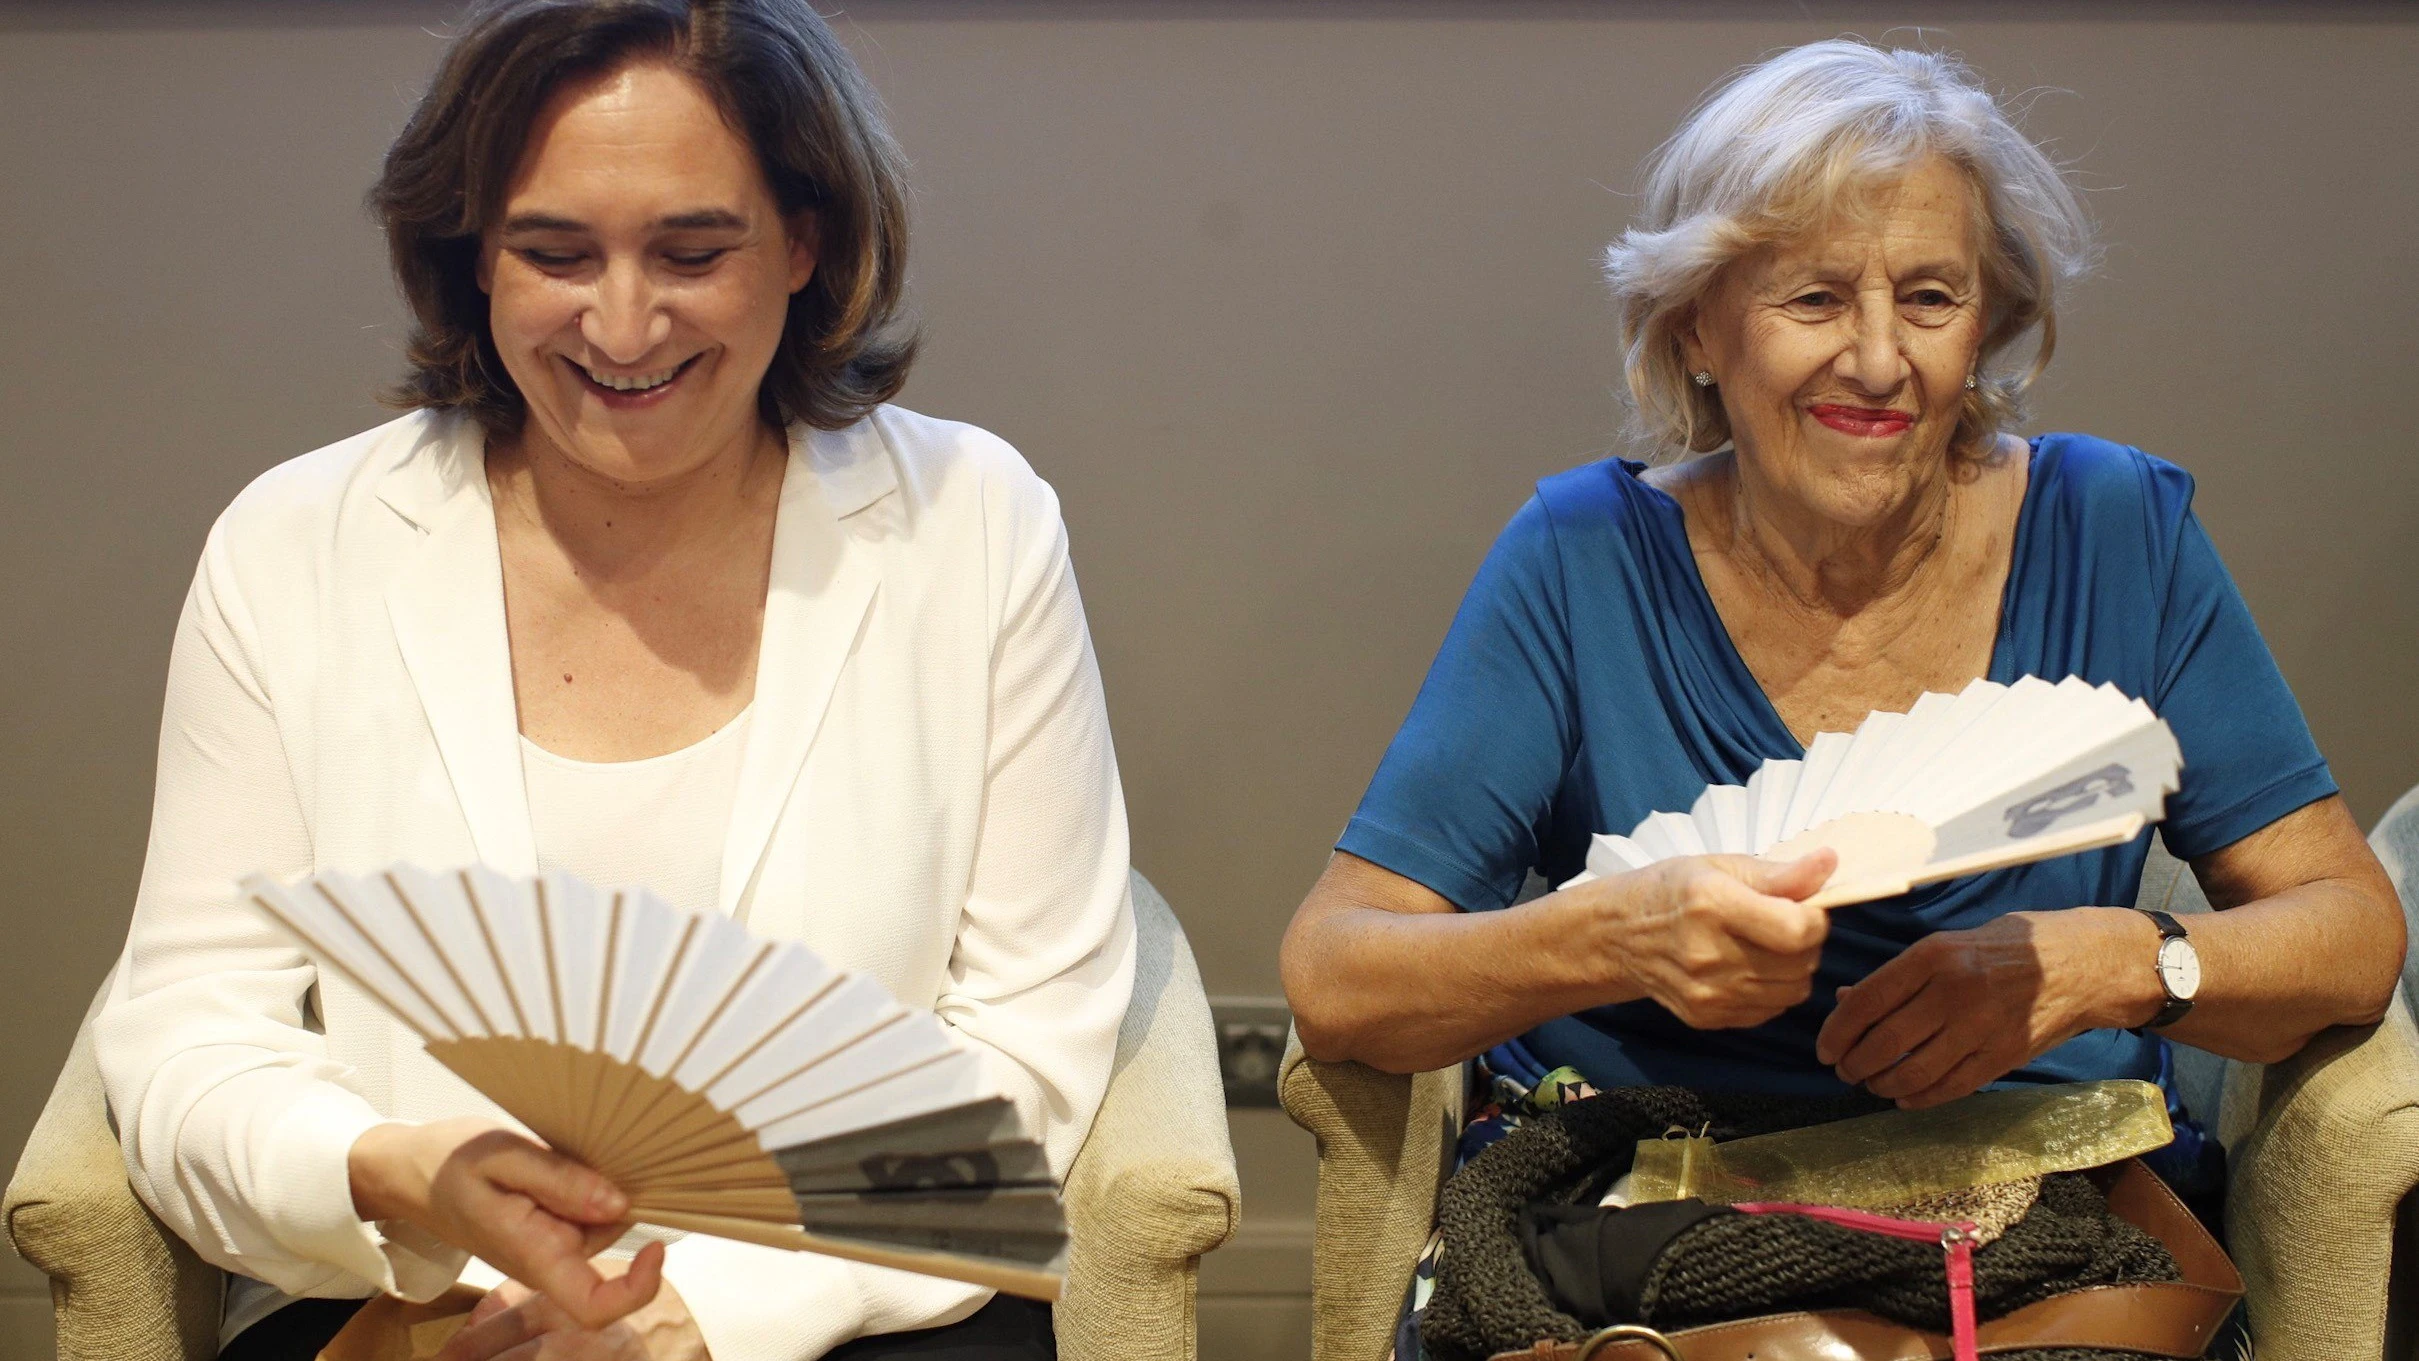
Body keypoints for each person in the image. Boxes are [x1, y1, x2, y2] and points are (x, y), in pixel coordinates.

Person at [91, 2, 1134, 1358]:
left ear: (807, 241)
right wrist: (390, 1166)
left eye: (692, 252)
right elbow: (188, 1029)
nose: (624, 325)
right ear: (470, 256)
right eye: (554, 253)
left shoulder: (970, 525)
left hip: (850, 1290)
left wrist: (709, 1311)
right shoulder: (294, 550)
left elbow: (1027, 1031)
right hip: (414, 1300)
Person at [1281, 38, 2401, 1188]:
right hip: (1647, 1209)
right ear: (1696, 330)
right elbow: (1336, 976)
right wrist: (1606, 937)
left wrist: (2119, 962)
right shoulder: (1583, 558)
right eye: (1812, 297)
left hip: (2025, 1220)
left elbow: (2354, 936)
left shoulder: (2116, 531)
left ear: (1986, 321)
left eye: (1928, 297)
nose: (1876, 360)